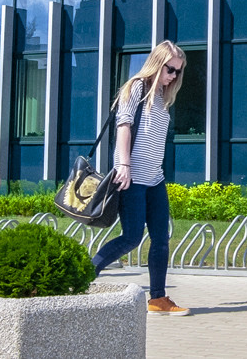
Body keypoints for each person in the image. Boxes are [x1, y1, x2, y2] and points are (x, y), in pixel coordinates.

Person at [91, 40, 191, 316]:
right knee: (131, 237)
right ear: (157, 64)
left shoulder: (162, 97)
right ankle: (82, 274)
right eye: (170, 69)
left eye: (178, 71)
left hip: (154, 179)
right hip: (132, 176)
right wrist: (123, 165)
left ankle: (158, 299)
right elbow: (124, 125)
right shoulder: (137, 87)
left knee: (161, 238)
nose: (174, 76)